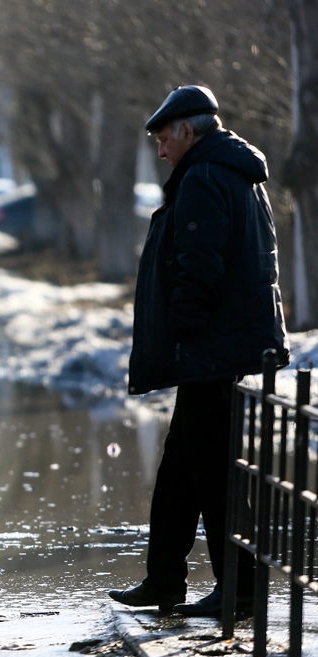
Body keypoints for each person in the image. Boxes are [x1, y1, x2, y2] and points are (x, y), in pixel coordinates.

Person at [110, 86, 289, 618]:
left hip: (212, 346)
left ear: (188, 130)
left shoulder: (206, 176)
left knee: (214, 473)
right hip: (221, 344)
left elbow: (201, 265)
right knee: (181, 467)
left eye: (165, 138)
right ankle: (164, 579)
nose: (161, 150)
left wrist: (181, 332)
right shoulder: (228, 172)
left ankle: (241, 589)